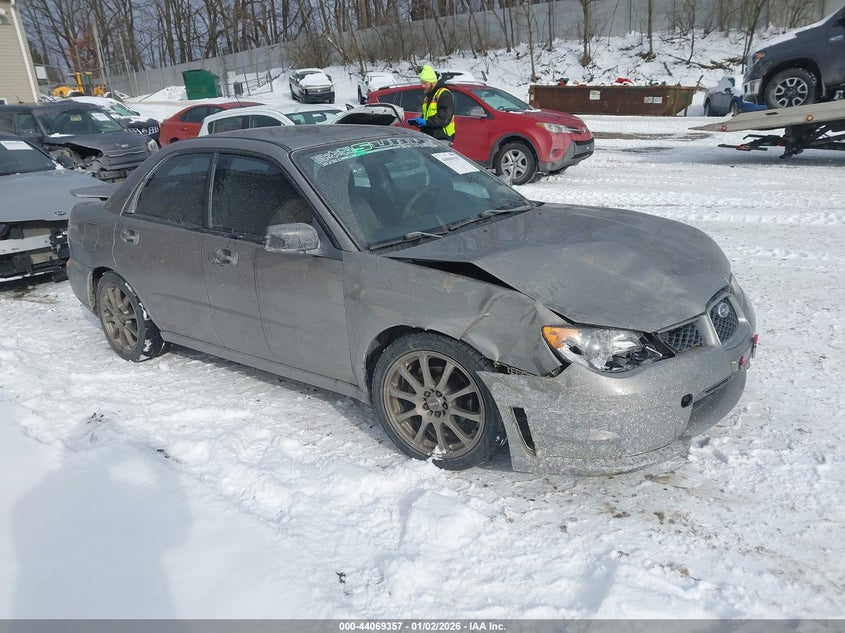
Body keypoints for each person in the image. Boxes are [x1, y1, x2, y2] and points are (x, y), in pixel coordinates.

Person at [408, 65, 455, 144]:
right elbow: (428, 116)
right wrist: (419, 122)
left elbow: (444, 118)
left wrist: (426, 122)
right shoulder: (427, 97)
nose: (422, 86)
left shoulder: (444, 94)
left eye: (424, 83)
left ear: (432, 82)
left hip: (442, 138)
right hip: (429, 136)